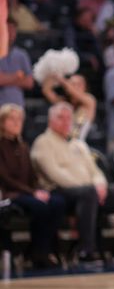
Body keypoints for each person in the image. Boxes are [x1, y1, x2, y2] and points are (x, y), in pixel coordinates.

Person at [31, 103, 114, 261]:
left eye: (69, 118)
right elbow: (55, 174)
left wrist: (100, 184)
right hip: (61, 191)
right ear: (50, 121)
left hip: (91, 190)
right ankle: (86, 249)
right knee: (88, 194)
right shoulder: (43, 143)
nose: (66, 121)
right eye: (61, 118)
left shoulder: (78, 144)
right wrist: (89, 187)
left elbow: (95, 170)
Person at [0, 103, 65, 269]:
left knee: (57, 202)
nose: (16, 123)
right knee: (40, 207)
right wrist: (32, 192)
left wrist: (38, 190)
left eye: (19, 119)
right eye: (11, 119)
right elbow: (5, 178)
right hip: (9, 194)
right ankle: (38, 253)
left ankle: (39, 250)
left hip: (27, 192)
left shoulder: (23, 146)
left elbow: (32, 176)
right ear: (2, 122)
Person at [42, 73, 97, 141]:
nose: (76, 87)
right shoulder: (63, 103)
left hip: (77, 146)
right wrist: (51, 74)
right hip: (61, 144)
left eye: (79, 84)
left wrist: (61, 79)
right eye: (73, 84)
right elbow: (46, 91)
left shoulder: (90, 101)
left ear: (85, 87)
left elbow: (72, 91)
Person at [0, 18, 33, 107]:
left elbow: (29, 82)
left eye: (13, 30)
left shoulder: (22, 54)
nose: (11, 34)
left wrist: (5, 78)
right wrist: (17, 76)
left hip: (17, 106)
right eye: (8, 29)